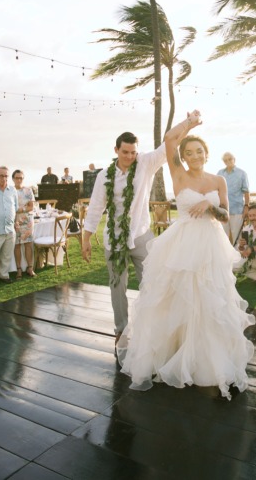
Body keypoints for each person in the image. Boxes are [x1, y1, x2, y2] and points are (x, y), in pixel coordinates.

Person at [118, 112, 254, 399]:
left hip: (210, 244)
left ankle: (204, 360)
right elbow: (169, 139)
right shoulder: (178, 174)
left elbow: (226, 215)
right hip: (183, 244)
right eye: (189, 152)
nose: (194, 156)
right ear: (184, 157)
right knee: (178, 299)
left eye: (199, 151)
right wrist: (189, 124)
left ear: (207, 153)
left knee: (210, 301)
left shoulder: (218, 180)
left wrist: (209, 205)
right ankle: (174, 355)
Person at [82, 114, 199, 344]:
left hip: (141, 236)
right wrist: (86, 239)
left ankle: (151, 327)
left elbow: (169, 143)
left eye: (133, 152)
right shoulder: (104, 176)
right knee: (118, 287)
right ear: (116, 150)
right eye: (125, 152)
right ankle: (121, 330)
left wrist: (189, 124)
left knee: (153, 282)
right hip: (114, 240)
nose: (129, 156)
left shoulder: (145, 163)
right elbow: (95, 208)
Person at [217, 152, 250, 244]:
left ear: (234, 160)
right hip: (222, 210)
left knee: (238, 237)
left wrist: (246, 206)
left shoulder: (242, 173)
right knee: (222, 237)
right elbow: (216, 190)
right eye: (225, 160)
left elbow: (246, 192)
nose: (228, 161)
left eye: (230, 159)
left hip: (237, 210)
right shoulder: (220, 173)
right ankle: (225, 258)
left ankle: (239, 257)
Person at [12, 169, 36, 278]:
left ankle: (30, 268)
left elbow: (31, 206)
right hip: (14, 221)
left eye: (21, 178)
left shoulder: (28, 190)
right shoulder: (9, 191)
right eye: (17, 178)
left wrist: (20, 210)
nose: (19, 180)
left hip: (27, 221)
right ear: (13, 179)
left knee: (28, 244)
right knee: (16, 245)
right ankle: (19, 269)